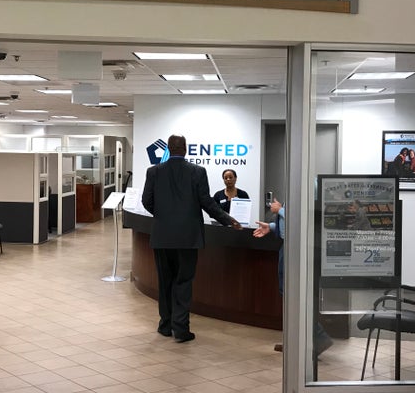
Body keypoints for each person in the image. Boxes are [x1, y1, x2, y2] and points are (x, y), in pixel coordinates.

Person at [141, 134, 241, 342]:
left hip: (162, 237)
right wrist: (227, 219)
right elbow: (207, 203)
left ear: (168, 149)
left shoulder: (153, 171)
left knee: (165, 281)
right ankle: (181, 329)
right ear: (185, 149)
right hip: (188, 237)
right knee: (183, 281)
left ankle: (165, 326)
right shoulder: (197, 172)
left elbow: (146, 201)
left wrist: (164, 217)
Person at [254, 198, 334, 356]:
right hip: (288, 246)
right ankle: (295, 341)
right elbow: (289, 224)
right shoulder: (292, 192)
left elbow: (301, 221)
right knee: (288, 295)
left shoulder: (304, 191)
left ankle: (319, 338)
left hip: (296, 248)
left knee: (294, 295)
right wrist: (272, 227)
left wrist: (280, 210)